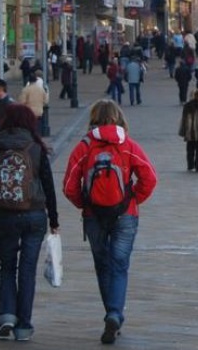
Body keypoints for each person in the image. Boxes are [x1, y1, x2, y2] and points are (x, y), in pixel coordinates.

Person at [63, 99, 158, 344]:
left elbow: (69, 185)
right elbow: (149, 177)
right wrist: (134, 198)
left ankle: (111, 313)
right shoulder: (128, 145)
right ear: (119, 118)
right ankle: (115, 313)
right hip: (125, 213)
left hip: (94, 215)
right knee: (119, 265)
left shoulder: (84, 147)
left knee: (102, 265)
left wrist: (84, 203)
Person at [0, 104, 60, 342]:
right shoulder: (36, 146)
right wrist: (54, 220)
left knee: (7, 267)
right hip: (35, 213)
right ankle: (24, 326)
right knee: (27, 271)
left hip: (6, 213)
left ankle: (6, 316)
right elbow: (48, 185)